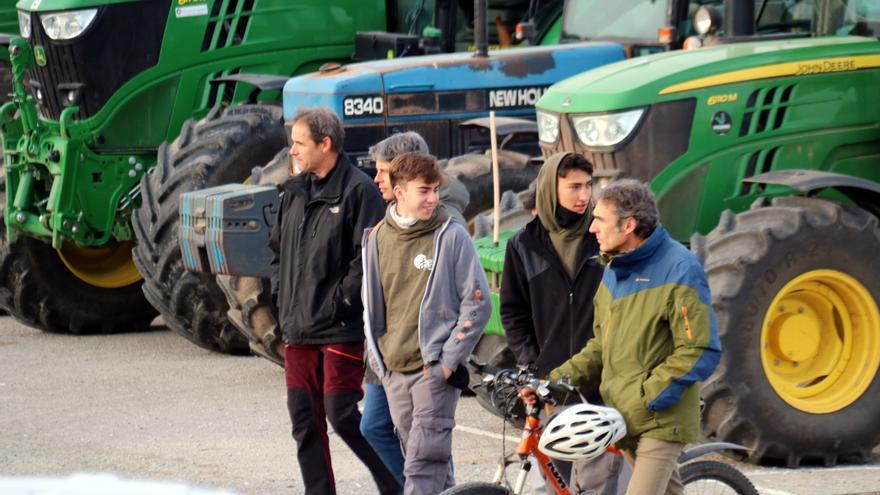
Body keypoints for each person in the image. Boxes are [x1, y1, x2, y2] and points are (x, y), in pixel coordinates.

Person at [523, 179, 721, 495]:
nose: (592, 229)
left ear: (628, 225)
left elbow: (699, 349)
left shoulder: (681, 268)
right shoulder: (615, 271)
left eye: (600, 220)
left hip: (659, 419)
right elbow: (602, 346)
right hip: (623, 418)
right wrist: (553, 382)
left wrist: (645, 399)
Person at [268, 107, 399, 495]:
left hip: (338, 328)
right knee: (304, 422)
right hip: (297, 328)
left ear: (325, 144)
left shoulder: (359, 191)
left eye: (299, 143)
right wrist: (281, 297)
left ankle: (396, 485)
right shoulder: (293, 192)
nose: (292, 150)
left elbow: (368, 258)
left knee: (342, 416)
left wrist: (339, 302)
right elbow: (276, 251)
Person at [363, 152, 492, 494]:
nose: (434, 199)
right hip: (393, 371)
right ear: (400, 191)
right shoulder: (376, 238)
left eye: (436, 190)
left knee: (424, 468)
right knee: (427, 470)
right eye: (424, 191)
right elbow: (373, 307)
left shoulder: (451, 236)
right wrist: (381, 362)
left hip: (432, 372)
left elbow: (478, 304)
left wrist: (447, 362)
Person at [500, 152, 624, 495]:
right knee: (560, 483)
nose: (584, 195)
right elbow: (513, 312)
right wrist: (531, 363)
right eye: (574, 187)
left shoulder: (604, 238)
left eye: (588, 185)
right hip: (554, 384)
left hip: (601, 383)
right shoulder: (523, 245)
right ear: (549, 189)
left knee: (600, 483)